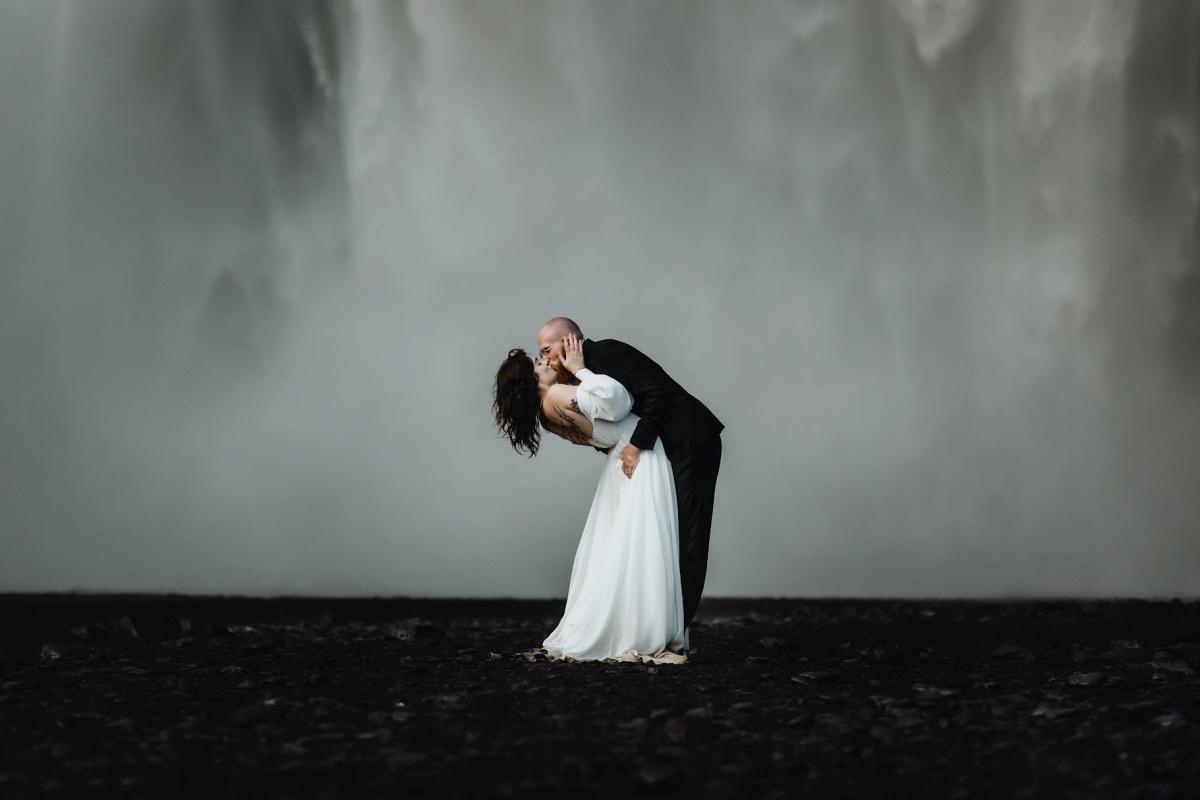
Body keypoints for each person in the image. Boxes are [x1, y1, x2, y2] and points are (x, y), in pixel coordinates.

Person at [493, 335, 688, 663]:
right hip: (638, 458)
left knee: (626, 549)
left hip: (620, 461)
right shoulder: (556, 395)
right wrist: (582, 370)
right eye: (536, 363)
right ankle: (642, 634)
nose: (545, 362)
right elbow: (618, 401)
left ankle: (631, 629)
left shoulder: (546, 413)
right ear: (529, 380)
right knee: (643, 547)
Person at [535, 318, 724, 632]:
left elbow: (657, 393)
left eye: (546, 349)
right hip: (664, 450)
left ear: (570, 340)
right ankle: (658, 624)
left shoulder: (607, 353)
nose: (546, 358)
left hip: (692, 440)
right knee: (668, 536)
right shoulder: (576, 380)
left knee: (689, 535)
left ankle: (676, 627)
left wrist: (635, 446)